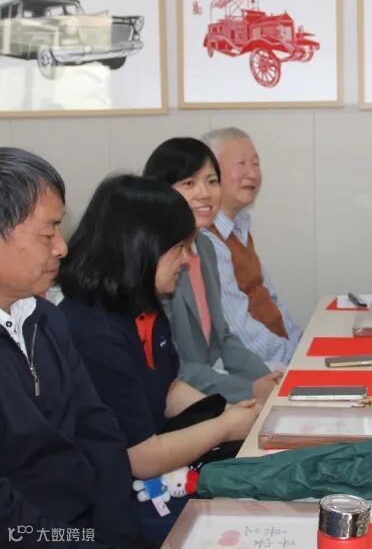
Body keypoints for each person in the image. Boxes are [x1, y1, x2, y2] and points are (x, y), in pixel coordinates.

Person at [58, 175, 260, 542]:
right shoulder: (93, 331)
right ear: (141, 248)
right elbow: (142, 457)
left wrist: (234, 412)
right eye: (180, 247)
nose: (188, 259)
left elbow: (165, 388)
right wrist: (225, 427)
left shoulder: (143, 306)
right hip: (110, 507)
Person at [0, 148, 141, 548]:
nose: (61, 248)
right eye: (48, 234)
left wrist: (116, 537)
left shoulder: (46, 319)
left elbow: (98, 429)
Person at [143, 137, 283, 403]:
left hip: (211, 387)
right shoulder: (155, 261)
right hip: (176, 401)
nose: (205, 193)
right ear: (160, 192)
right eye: (189, 184)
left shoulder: (206, 246)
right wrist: (250, 391)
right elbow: (172, 366)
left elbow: (223, 337)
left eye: (212, 181)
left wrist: (268, 380)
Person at [201, 127, 302, 366]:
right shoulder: (207, 240)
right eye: (242, 163)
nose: (253, 173)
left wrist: (301, 345)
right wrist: (295, 358)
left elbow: (271, 300)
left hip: (279, 356)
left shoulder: (239, 227)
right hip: (255, 369)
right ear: (211, 174)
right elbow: (239, 330)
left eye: (256, 163)